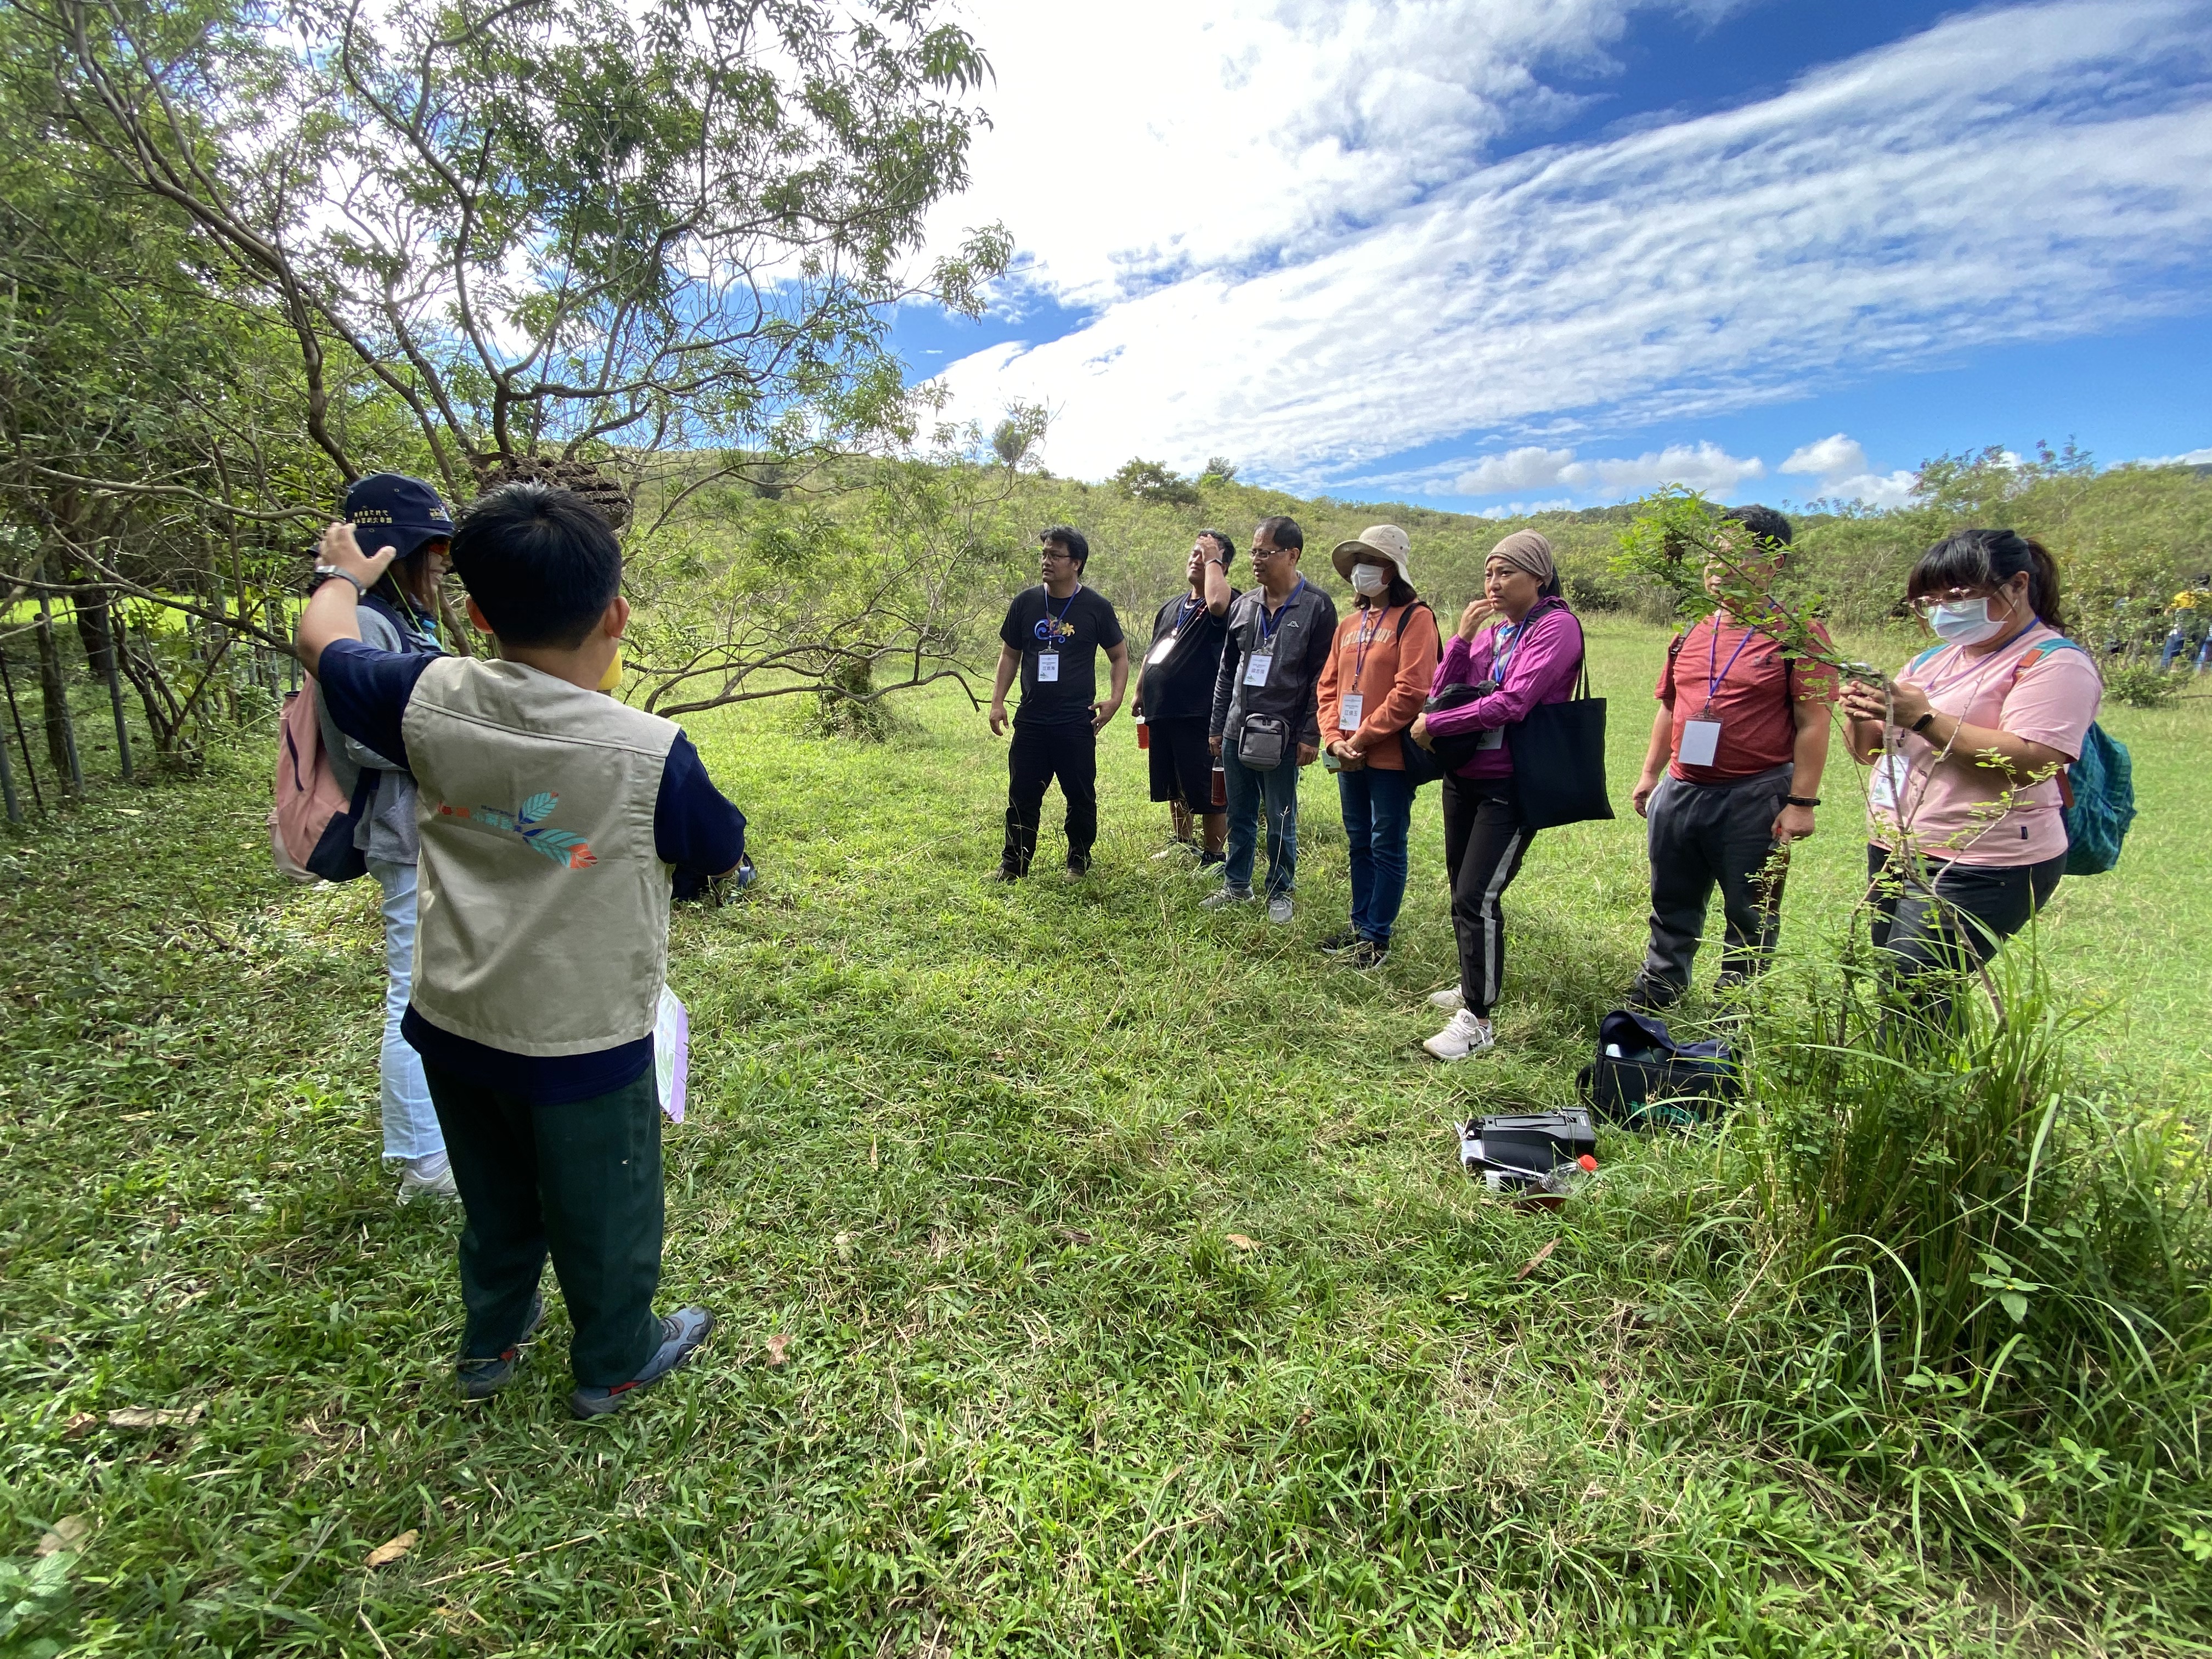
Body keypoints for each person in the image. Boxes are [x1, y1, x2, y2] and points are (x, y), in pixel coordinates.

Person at [296, 483, 746, 1418]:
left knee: (496, 1203)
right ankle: (617, 1355)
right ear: (616, 613)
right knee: (607, 1212)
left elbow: (325, 642)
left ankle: (490, 1343)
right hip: (585, 1039)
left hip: (455, 1019)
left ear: (476, 612)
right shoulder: (651, 748)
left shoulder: (425, 693)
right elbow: (717, 849)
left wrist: (345, 570)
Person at [1839, 528, 2102, 1025]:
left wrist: (1923, 718)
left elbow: (2034, 760)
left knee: (1914, 987)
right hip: (1901, 845)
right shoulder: (1930, 661)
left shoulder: (2054, 663)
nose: (1943, 610)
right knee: (1901, 986)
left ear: (2018, 585)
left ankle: (1926, 1099)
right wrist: (1859, 712)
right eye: (1929, 600)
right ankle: (1911, 1094)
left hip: (1984, 858)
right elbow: (1869, 753)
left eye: (1959, 596)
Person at [313, 472, 460, 1203]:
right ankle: (424, 1166)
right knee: (415, 994)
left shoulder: (397, 619)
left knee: (435, 986)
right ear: (393, 551)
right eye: (429, 549)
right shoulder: (365, 623)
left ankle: (441, 1140)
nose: (440, 564)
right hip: (405, 832)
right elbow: (366, 735)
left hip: (430, 827)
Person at [1627, 506, 1835, 1008]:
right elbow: (1670, 708)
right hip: (1681, 789)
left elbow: (1814, 721)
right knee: (1671, 898)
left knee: (1752, 912)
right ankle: (1660, 988)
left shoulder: (1798, 633)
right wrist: (1650, 774)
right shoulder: (1691, 633)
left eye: (1735, 558)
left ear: (1774, 564)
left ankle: (1737, 1008)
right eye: (1713, 557)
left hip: (1755, 792)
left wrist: (1801, 801)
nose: (1718, 569)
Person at [1408, 531, 1584, 1059]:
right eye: (1489, 573)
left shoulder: (1556, 628)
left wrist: (1435, 723)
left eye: (1506, 572)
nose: (1494, 583)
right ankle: (1471, 983)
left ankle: (1478, 1020)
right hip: (1466, 774)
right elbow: (1441, 687)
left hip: (1512, 780)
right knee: (1460, 884)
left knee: (1476, 895)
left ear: (1540, 577)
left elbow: (1514, 702)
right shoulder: (1494, 632)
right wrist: (1462, 637)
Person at [1314, 524, 1440, 968]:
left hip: (1387, 756)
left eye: (1372, 562)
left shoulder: (1417, 618)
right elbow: (1328, 686)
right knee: (1358, 841)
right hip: (1347, 754)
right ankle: (1358, 926)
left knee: (1386, 841)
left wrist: (1362, 737)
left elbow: (1411, 691)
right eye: (1358, 563)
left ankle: (1376, 938)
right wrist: (1333, 738)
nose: (1362, 571)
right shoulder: (1348, 624)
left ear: (1393, 571)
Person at [1205, 516, 1338, 923]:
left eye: (1266, 552)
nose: (1256, 560)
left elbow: (1322, 675)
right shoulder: (1245, 606)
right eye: (1253, 552)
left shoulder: (1317, 606)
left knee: (1281, 815)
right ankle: (1237, 885)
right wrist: (1217, 724)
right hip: (1237, 728)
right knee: (1241, 812)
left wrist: (1311, 734)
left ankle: (1281, 890)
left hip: (1285, 733)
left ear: (1293, 554)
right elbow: (1228, 669)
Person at [988, 527, 1129, 879]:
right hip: (1032, 719)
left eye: (1055, 555)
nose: (1046, 561)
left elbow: (1119, 658)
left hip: (1074, 722)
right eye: (1044, 554)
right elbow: (1009, 655)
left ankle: (1078, 861)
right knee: (1022, 793)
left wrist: (1114, 701)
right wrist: (998, 702)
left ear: (1076, 563)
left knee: (1080, 795)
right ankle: (1014, 864)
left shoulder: (1096, 607)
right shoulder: (1026, 602)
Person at [1136, 531, 1235, 867]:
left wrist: (1213, 561)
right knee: (1174, 780)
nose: (1197, 558)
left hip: (1199, 710)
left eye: (1206, 555)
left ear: (1221, 565)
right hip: (1163, 709)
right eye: (1194, 552)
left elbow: (1218, 604)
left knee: (1206, 784)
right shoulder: (1171, 607)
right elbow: (1153, 652)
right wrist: (1140, 691)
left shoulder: (1226, 600)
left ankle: (1214, 855)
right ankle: (1182, 841)